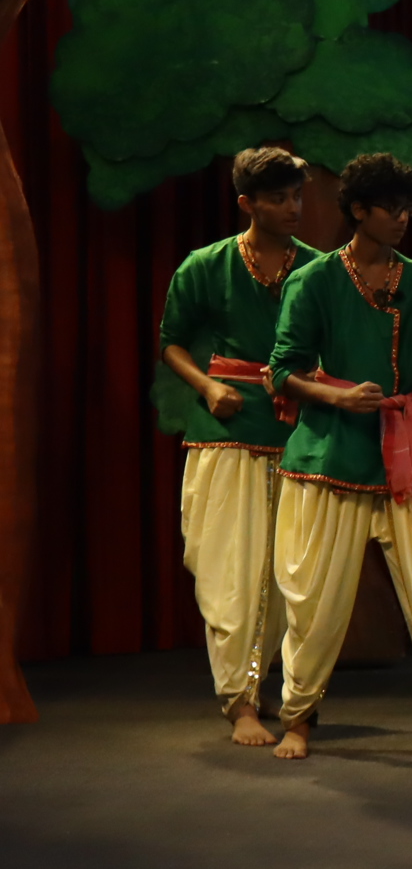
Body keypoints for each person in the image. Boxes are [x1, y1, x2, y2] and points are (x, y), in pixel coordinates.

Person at [267, 153, 412, 760]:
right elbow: (281, 372)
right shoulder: (315, 281)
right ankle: (299, 714)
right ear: (359, 210)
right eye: (392, 209)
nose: (403, 219)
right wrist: (335, 395)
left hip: (407, 455)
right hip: (332, 456)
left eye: (409, 209)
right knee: (314, 600)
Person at [158, 147, 320, 745]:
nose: (293, 207)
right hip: (226, 434)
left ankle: (260, 685)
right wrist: (207, 387)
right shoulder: (207, 265)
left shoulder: (317, 268)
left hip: (296, 434)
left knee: (285, 574)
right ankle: (239, 702)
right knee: (230, 569)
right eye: (278, 198)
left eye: (297, 196)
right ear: (248, 203)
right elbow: (172, 342)